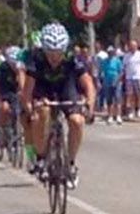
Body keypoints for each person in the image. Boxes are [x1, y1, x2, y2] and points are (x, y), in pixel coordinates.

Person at [20, 23, 94, 184]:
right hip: (42, 89)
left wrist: (89, 104)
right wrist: (30, 108)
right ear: (44, 50)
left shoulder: (71, 58)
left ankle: (71, 163)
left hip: (66, 87)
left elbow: (88, 83)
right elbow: (27, 90)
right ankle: (40, 157)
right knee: (42, 113)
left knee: (77, 121)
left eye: (58, 53)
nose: (54, 57)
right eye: (50, 53)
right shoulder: (36, 59)